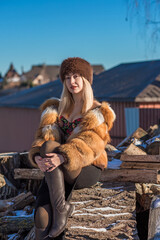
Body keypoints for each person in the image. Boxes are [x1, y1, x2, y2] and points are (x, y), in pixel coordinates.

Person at [28, 57, 116, 240]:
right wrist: (37, 157)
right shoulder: (55, 109)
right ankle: (61, 209)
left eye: (76, 76)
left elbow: (93, 145)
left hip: (86, 168)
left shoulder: (98, 111)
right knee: (41, 217)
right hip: (57, 168)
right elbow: (41, 139)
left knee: (52, 147)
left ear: (86, 79)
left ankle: (61, 208)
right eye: (67, 77)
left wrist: (63, 157)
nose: (72, 82)